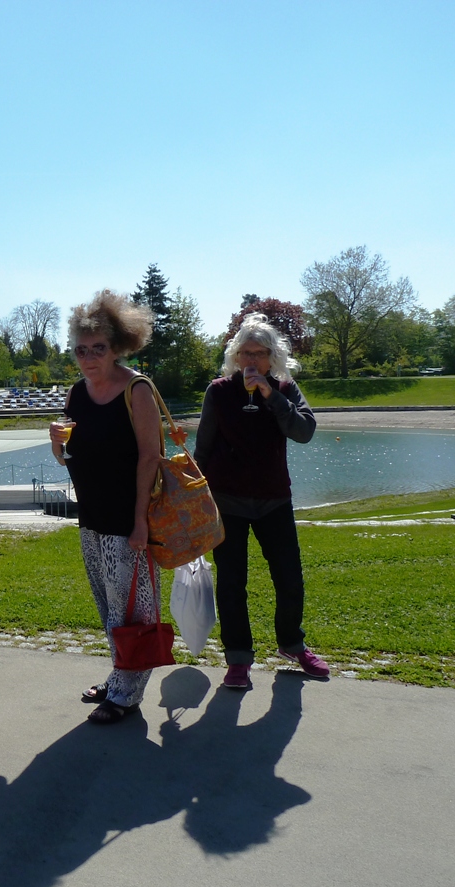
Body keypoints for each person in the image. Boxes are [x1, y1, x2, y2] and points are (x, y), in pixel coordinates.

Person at [194, 312, 329, 690]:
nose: (251, 361)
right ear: (235, 357)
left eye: (260, 353)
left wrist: (271, 397)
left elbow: (304, 432)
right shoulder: (219, 391)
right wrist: (196, 501)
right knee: (232, 583)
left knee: (289, 579)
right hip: (227, 501)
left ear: (273, 357)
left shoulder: (285, 388)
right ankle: (238, 659)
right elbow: (202, 448)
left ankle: (292, 645)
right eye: (245, 353)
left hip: (274, 499)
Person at [49, 290, 163, 724]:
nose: (89, 356)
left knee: (134, 606)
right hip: (91, 517)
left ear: (118, 347)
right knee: (108, 603)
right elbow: (69, 457)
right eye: (82, 349)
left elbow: (150, 458)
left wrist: (139, 522)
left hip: (129, 518)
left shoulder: (137, 390)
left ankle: (127, 694)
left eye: (99, 347)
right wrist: (57, 446)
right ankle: (120, 674)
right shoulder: (77, 394)